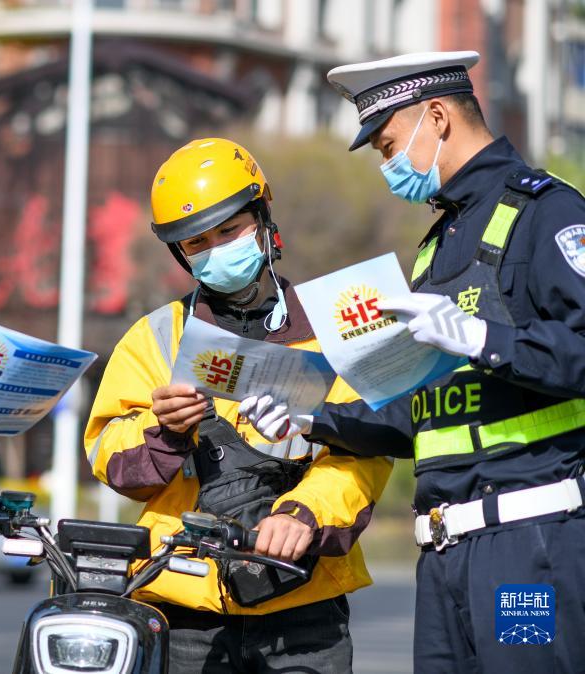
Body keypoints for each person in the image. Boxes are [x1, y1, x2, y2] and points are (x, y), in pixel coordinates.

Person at [243, 51, 585, 672]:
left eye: (389, 145)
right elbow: (418, 419)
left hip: (528, 545)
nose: (387, 165)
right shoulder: (435, 248)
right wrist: (310, 419)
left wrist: (485, 340)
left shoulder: (547, 212)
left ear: (437, 116)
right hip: (444, 558)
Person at [84, 138, 393, 673]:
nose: (216, 250)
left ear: (264, 218)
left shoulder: (334, 325)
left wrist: (305, 513)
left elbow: (364, 454)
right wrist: (163, 433)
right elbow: (107, 450)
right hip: (181, 609)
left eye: (229, 231)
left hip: (304, 605)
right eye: (198, 243)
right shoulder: (157, 336)